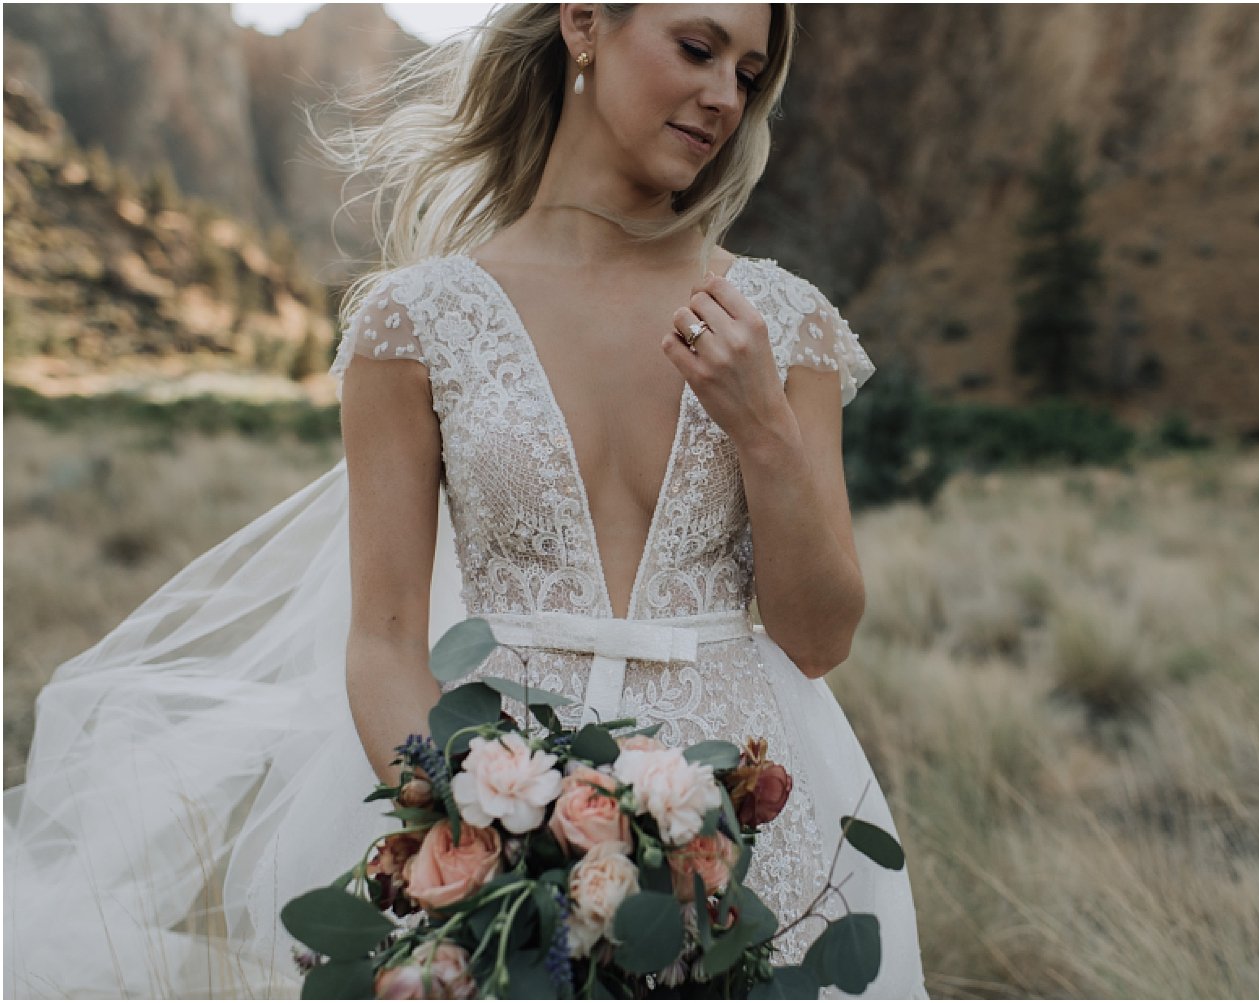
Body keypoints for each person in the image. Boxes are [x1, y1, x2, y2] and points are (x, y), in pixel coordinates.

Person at [3, 4, 927, 998]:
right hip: (500, 819)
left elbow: (820, 635)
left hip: (747, 835)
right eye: (698, 49)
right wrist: (482, 841)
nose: (723, 98)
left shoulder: (783, 322)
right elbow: (386, 639)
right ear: (584, 25)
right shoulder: (416, 322)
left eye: (747, 74)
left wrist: (762, 426)